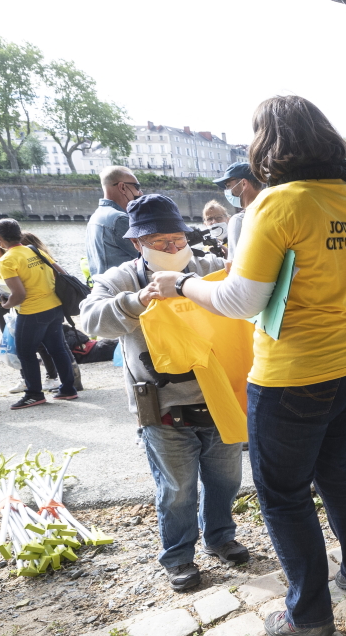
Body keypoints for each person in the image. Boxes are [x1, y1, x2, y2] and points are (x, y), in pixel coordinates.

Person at [149, 95, 346, 636]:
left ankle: (308, 614)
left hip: (296, 372)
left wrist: (180, 283)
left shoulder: (277, 204)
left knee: (283, 493)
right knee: (338, 470)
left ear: (267, 146)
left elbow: (239, 300)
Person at [81, 194, 247, 591]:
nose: (173, 249)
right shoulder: (121, 278)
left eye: (178, 240)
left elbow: (245, 296)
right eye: (161, 243)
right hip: (164, 407)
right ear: (138, 244)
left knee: (226, 481)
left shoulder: (206, 269)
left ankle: (220, 537)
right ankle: (178, 557)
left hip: (219, 398)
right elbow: (89, 320)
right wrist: (137, 301)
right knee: (176, 490)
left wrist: (237, 274)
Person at [0, 218, 78, 409]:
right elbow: (62, 272)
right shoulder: (33, 249)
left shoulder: (6, 260)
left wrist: (6, 305)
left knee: (25, 352)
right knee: (58, 349)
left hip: (33, 311)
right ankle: (68, 389)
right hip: (54, 306)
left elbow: (19, 295)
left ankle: (34, 394)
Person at [0, 230, 61, 393]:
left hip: (19, 304)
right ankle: (25, 379)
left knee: (38, 344)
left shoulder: (8, 258)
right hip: (1, 306)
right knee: (15, 345)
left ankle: (52, 377)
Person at [87, 166, 142, 276]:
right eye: (137, 187)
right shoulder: (119, 219)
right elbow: (151, 255)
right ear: (122, 187)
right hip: (122, 289)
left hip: (103, 288)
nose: (140, 193)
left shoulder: (96, 217)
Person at [214, 161, 262, 262]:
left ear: (243, 183)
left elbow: (236, 267)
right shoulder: (274, 211)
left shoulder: (239, 220)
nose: (227, 191)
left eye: (228, 185)